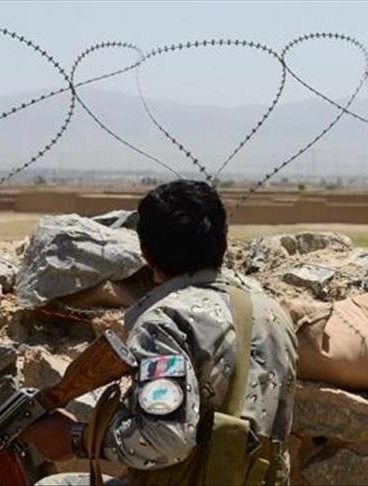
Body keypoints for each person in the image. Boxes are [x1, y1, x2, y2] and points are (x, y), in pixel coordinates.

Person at [25, 179, 298, 485]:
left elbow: (165, 438)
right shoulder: (271, 311)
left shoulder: (164, 323)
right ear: (223, 241)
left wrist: (76, 437)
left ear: (146, 253)